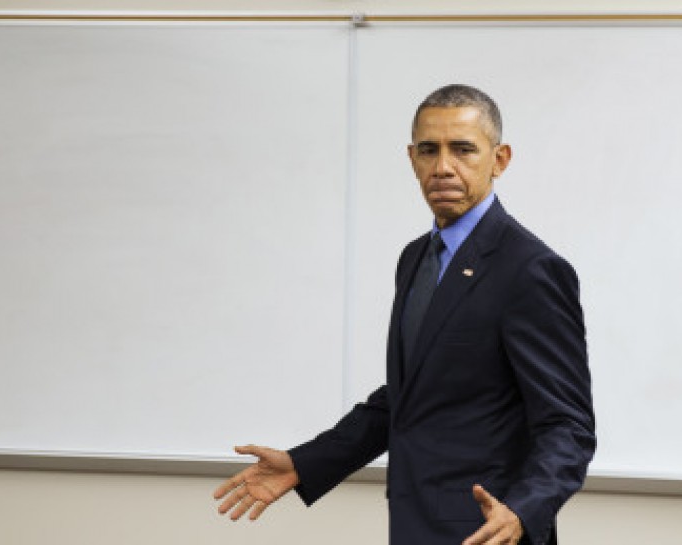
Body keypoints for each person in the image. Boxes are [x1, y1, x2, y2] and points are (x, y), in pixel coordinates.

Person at [213, 84, 595, 545]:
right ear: (411, 158)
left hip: (489, 532)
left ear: (500, 159)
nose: (443, 167)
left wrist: (523, 510)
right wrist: (306, 463)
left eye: (463, 150)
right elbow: (408, 395)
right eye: (429, 151)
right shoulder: (416, 258)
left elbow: (568, 426)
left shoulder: (531, 269)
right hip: (415, 526)